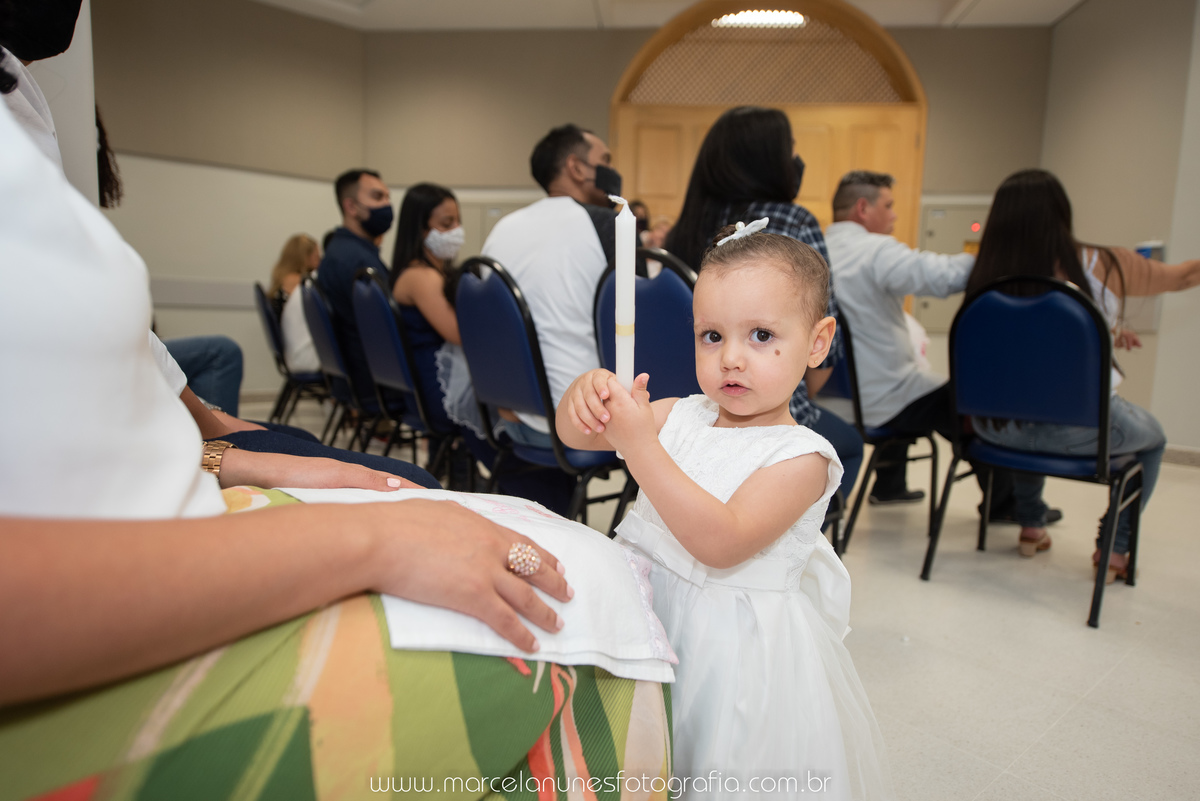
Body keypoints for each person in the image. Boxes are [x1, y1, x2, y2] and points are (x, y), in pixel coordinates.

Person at [0, 79, 669, 794]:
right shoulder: (408, 269)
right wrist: (376, 540)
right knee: (595, 602)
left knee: (486, 524)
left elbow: (142, 421)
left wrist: (234, 459)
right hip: (100, 584)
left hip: (190, 492)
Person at [558, 223, 893, 798]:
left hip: (732, 659)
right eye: (711, 336)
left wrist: (640, 445)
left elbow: (721, 541)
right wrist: (584, 396)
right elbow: (579, 437)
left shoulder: (803, 458)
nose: (731, 358)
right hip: (645, 616)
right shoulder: (684, 413)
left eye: (761, 335)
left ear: (817, 342)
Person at [966, 169, 1200, 576]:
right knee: (1153, 440)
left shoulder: (985, 273)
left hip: (996, 431)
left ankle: (1031, 525)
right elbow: (1184, 276)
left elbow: (1026, 341)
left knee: (1024, 408)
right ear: (1062, 213)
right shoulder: (1104, 264)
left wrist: (1105, 334)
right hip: (1080, 431)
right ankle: (1115, 547)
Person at [665, 106, 863, 498]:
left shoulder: (682, 230)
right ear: (771, 159)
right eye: (790, 148)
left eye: (760, 333)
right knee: (851, 446)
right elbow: (824, 351)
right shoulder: (793, 223)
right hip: (767, 409)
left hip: (690, 400)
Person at [824, 170, 1030, 516]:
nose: (894, 215)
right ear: (863, 208)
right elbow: (943, 277)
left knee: (908, 380)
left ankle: (890, 485)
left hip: (831, 398)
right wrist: (999, 259)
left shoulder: (812, 248)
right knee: (965, 401)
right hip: (882, 396)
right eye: (888, 205)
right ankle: (1006, 503)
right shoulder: (875, 251)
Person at [315, 168, 398, 409]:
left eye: (387, 197)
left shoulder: (339, 251)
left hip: (355, 378)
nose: (386, 204)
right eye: (377, 197)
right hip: (376, 381)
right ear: (351, 207)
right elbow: (389, 329)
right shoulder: (359, 262)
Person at [268, 233, 320, 373]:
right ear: (305, 256)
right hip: (299, 353)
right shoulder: (301, 283)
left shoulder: (281, 280)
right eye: (316, 255)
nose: (320, 259)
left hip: (289, 351)